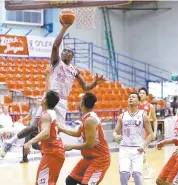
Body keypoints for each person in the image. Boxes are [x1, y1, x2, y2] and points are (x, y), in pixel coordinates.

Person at [0, 20, 105, 158]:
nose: (65, 52)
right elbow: (55, 45)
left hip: (62, 101)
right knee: (32, 126)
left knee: (55, 130)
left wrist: (95, 83)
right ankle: (9, 142)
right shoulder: (56, 62)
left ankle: (39, 147)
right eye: (64, 50)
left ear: (72, 56)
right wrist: (63, 28)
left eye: (69, 51)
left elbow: (85, 87)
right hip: (50, 96)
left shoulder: (75, 70)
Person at [58, 92, 110, 185]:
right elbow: (78, 133)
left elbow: (90, 144)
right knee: (70, 180)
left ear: (82, 104)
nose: (78, 103)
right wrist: (62, 129)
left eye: (79, 101)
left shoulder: (90, 120)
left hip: (99, 159)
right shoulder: (87, 117)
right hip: (88, 158)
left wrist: (71, 147)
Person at [24, 90, 64, 185]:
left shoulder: (46, 115)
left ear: (45, 100)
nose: (41, 99)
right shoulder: (51, 112)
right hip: (55, 153)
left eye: (43, 97)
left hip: (52, 153)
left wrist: (29, 142)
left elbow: (46, 133)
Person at [113, 92, 154, 185]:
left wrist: (144, 146)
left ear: (139, 102)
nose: (131, 98)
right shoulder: (122, 116)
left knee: (136, 174)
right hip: (124, 148)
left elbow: (151, 134)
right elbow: (115, 131)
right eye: (129, 97)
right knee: (123, 173)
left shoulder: (144, 116)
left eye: (133, 97)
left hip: (138, 149)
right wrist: (116, 136)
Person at [138, 87, 157, 178]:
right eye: (140, 93)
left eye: (143, 93)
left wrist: (155, 132)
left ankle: (147, 169)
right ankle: (147, 169)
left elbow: (155, 120)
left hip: (146, 132)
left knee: (141, 152)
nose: (141, 94)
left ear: (146, 96)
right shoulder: (135, 105)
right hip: (136, 132)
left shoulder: (150, 106)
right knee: (138, 153)